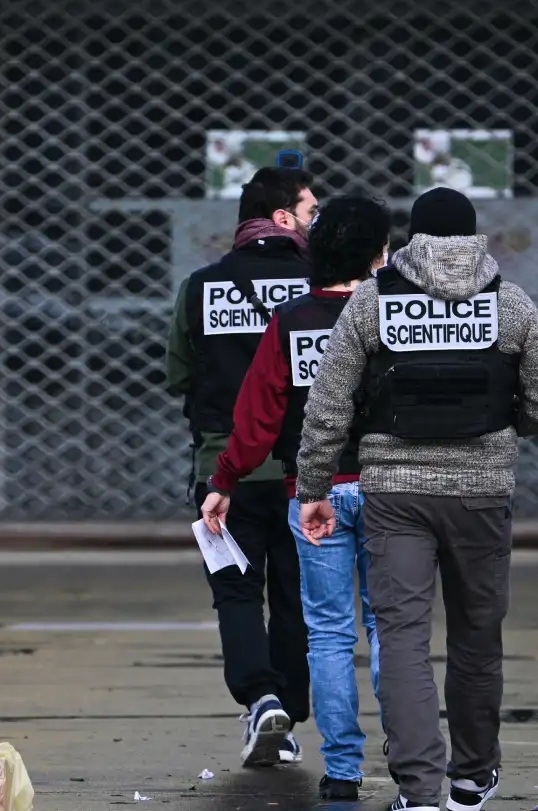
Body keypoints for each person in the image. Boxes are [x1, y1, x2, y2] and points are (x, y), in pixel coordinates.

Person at [294, 187, 538, 811]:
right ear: (473, 237)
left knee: (401, 637)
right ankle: (471, 778)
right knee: (477, 634)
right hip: (482, 494)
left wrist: (313, 489)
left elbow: (328, 407)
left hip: (395, 496)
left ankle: (418, 790)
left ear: (412, 241)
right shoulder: (509, 303)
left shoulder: (373, 301)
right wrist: (504, 428)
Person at [201, 195, 392, 801]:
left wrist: (225, 480)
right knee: (389, 624)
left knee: (329, 633)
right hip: (390, 488)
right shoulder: (393, 316)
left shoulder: (291, 320)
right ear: (378, 255)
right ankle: (409, 749)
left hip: (311, 492)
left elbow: (259, 416)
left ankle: (343, 770)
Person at [165, 166, 317, 767]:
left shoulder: (201, 287)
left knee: (235, 591)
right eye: (310, 211)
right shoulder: (320, 286)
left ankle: (261, 699)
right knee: (297, 596)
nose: (315, 222)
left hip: (224, 469)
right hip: (305, 471)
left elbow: (178, 374)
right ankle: (287, 709)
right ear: (284, 218)